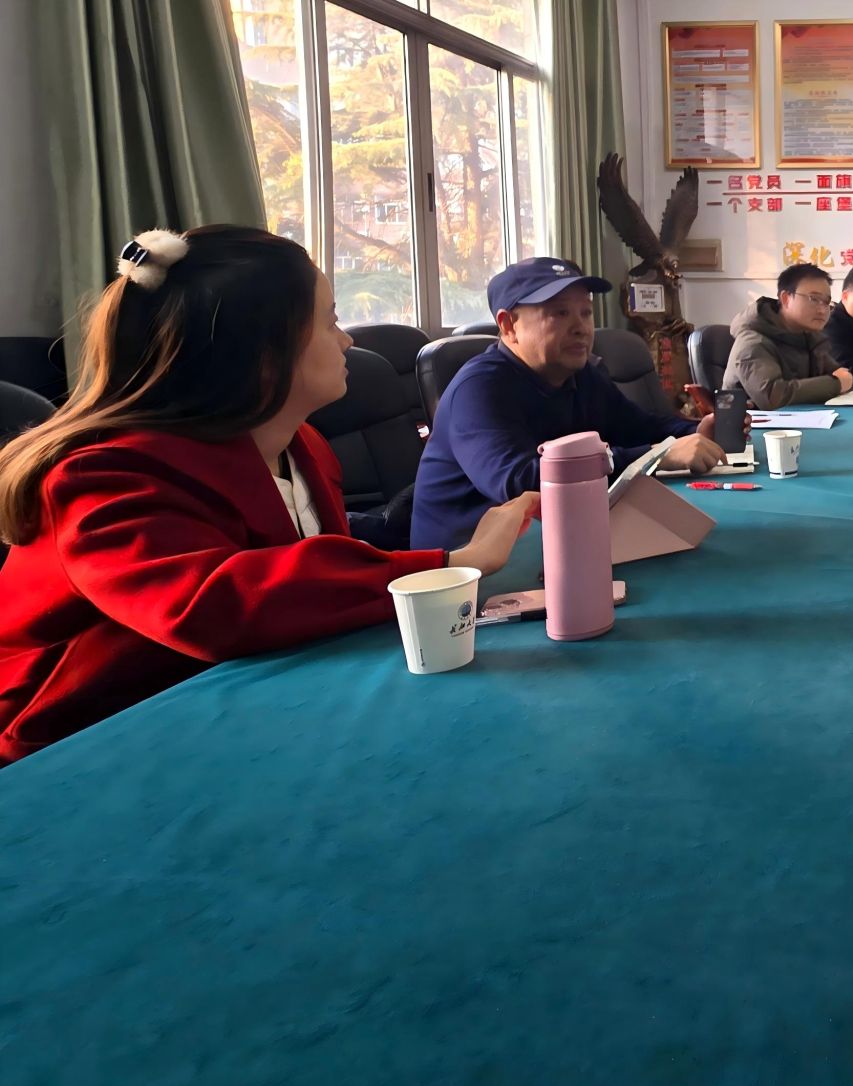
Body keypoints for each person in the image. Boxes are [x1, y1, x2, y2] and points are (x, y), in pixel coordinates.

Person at [0, 226, 536, 764]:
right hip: (74, 746)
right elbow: (217, 604)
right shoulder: (101, 476)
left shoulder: (304, 445)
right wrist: (452, 566)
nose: (347, 341)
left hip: (231, 709)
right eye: (329, 321)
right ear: (261, 353)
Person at [410, 257, 728, 551]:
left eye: (585, 313)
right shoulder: (478, 388)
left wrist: (696, 431)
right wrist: (655, 456)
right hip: (466, 567)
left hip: (553, 542)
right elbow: (517, 482)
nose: (581, 328)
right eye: (560, 313)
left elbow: (640, 426)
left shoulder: (583, 375)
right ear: (508, 325)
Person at [726, 263, 853, 408]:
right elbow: (772, 397)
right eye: (814, 299)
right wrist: (837, 384)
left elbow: (839, 372)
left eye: (826, 302)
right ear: (786, 298)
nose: (822, 310)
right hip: (750, 421)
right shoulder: (753, 341)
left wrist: (841, 379)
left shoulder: (809, 337)